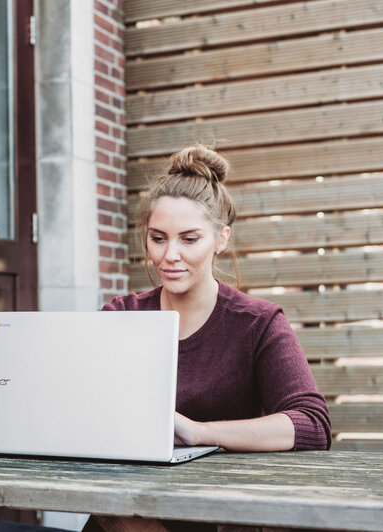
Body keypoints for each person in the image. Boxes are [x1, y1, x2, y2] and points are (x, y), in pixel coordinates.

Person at [102, 144, 331, 452]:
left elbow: (313, 425)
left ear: (220, 239)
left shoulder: (258, 324)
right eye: (158, 238)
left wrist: (199, 433)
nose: (170, 255)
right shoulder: (121, 315)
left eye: (189, 239)